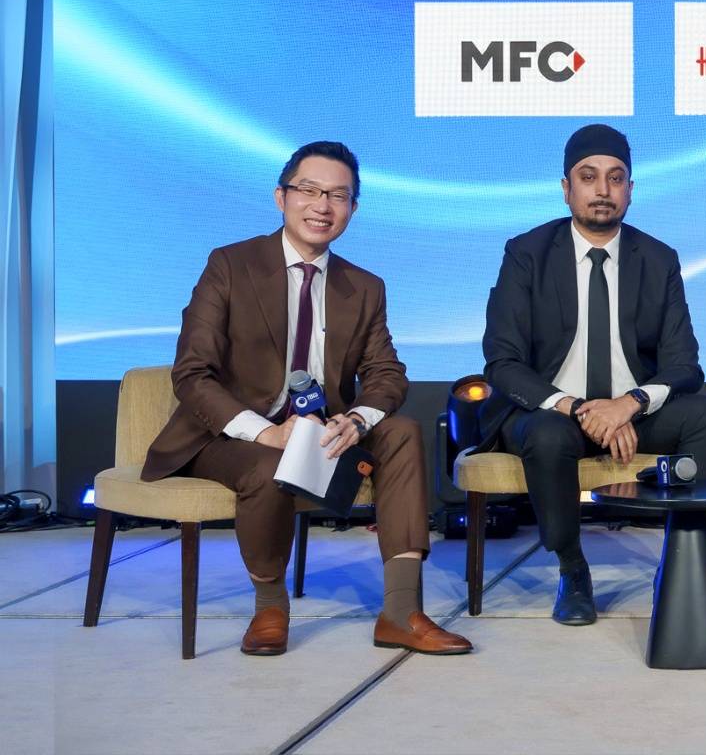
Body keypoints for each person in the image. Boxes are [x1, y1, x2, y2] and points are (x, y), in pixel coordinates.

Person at [142, 141, 471, 657]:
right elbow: (192, 372)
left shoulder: (364, 286)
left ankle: (401, 611)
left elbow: (386, 373)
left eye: (338, 196)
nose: (323, 206)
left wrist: (357, 419)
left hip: (321, 432)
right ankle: (270, 607)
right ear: (281, 197)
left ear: (353, 209)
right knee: (266, 464)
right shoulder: (230, 264)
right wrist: (268, 432)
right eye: (310, 191)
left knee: (402, 432)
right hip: (230, 435)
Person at [476, 124, 706, 626]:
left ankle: (678, 560)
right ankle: (572, 570)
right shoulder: (527, 253)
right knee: (549, 435)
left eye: (615, 178)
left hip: (627, 411)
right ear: (566, 188)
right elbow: (502, 361)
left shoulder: (657, 259)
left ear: (630, 189)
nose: (602, 190)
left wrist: (629, 403)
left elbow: (685, 364)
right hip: (550, 412)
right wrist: (576, 408)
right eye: (588, 177)